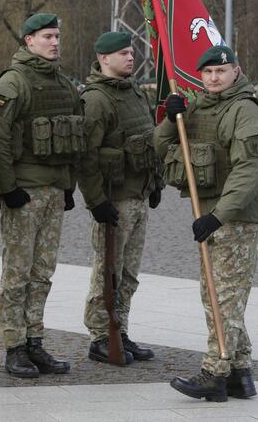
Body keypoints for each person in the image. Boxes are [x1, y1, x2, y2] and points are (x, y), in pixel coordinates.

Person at [154, 45, 258, 402]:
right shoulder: (199, 105)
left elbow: (247, 174)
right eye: (208, 73)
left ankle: (214, 374)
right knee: (218, 296)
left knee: (224, 299)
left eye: (221, 71)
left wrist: (218, 217)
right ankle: (240, 372)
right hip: (210, 214)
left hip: (235, 218)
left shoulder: (246, 111)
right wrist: (172, 119)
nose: (214, 78)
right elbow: (159, 146)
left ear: (236, 71)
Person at [0, 13, 83, 378]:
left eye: (57, 36)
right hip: (24, 192)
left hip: (54, 190)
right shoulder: (14, 82)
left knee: (42, 273)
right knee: (17, 273)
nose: (54, 42)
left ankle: (35, 341)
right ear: (28, 41)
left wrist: (68, 185)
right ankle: (14, 346)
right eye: (46, 37)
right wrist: (9, 188)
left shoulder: (64, 83)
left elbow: (74, 138)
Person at [78, 32, 162, 365]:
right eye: (124, 54)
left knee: (128, 273)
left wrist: (154, 184)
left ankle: (120, 329)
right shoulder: (96, 100)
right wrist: (96, 201)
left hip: (138, 194)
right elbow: (86, 156)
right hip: (114, 200)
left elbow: (147, 140)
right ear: (103, 58)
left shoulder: (136, 94)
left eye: (132, 52)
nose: (131, 58)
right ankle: (101, 334)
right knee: (107, 271)